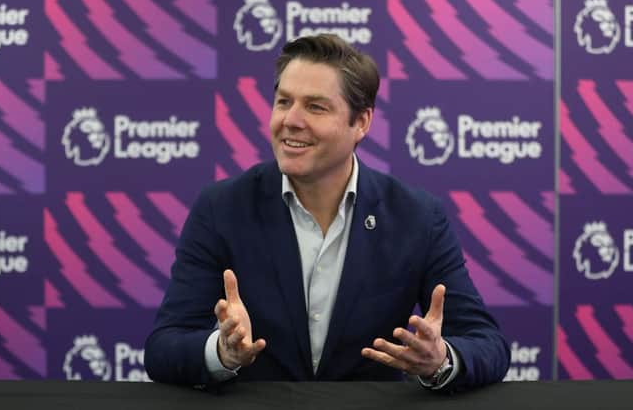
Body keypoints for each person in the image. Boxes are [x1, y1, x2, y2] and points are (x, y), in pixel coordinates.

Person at [144, 34, 509, 392]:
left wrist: (439, 360)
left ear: (361, 123)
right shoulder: (221, 208)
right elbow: (163, 347)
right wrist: (222, 353)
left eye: (315, 107)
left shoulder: (417, 217)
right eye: (283, 102)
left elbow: (487, 342)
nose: (291, 120)